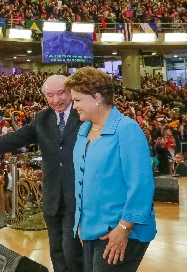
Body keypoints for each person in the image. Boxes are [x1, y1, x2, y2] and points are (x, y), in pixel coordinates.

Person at [0, 75, 84, 272]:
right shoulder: (42, 118)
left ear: (71, 91)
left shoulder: (82, 114)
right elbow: (18, 137)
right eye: (50, 95)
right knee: (56, 250)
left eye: (61, 93)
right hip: (52, 196)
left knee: (72, 251)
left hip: (78, 196)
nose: (57, 100)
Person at [66, 67, 156, 272]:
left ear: (97, 97)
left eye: (78, 100)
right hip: (92, 229)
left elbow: (141, 184)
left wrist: (124, 228)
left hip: (122, 231)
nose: (74, 106)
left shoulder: (127, 129)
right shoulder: (84, 130)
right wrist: (82, 224)